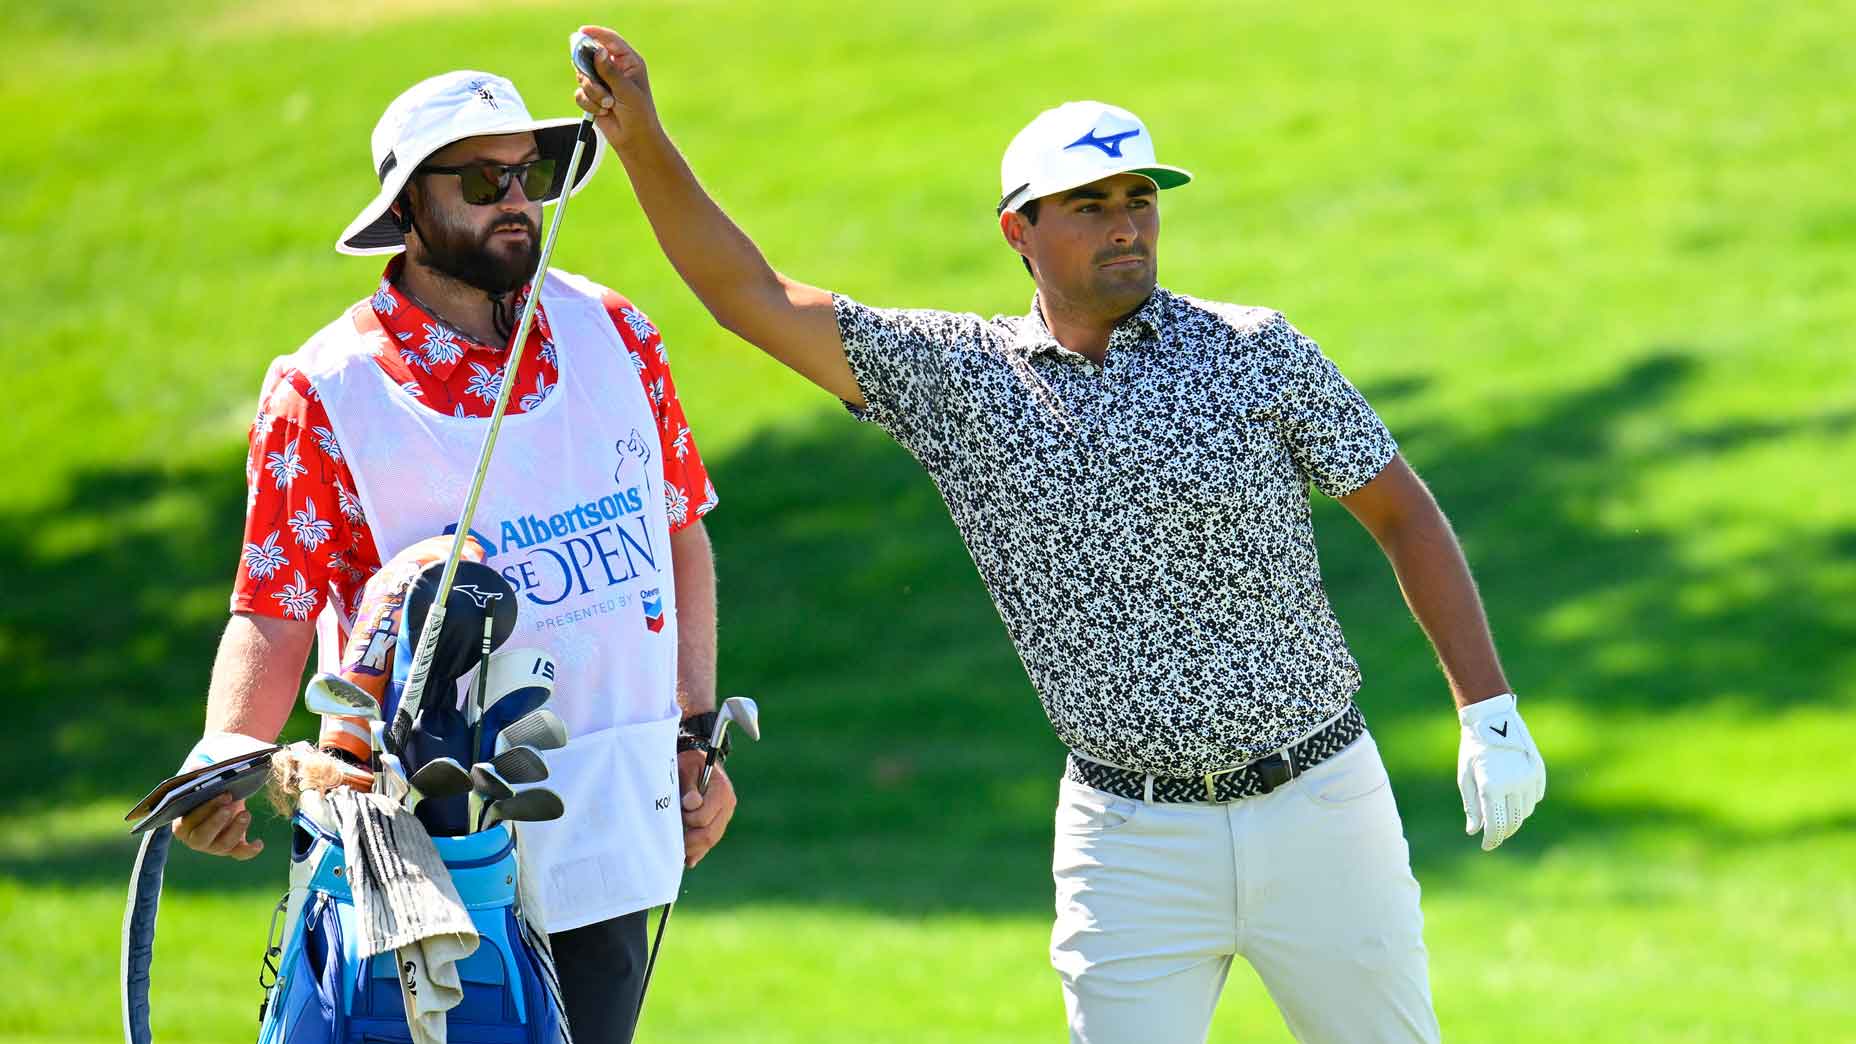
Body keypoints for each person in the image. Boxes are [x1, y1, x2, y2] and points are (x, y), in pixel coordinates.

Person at [569, 26, 1547, 1044]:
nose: (1125, 227)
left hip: (1319, 805)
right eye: (1089, 207)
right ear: (1018, 231)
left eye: (1139, 201)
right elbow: (750, 299)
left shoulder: (1256, 352)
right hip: (1127, 841)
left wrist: (1487, 709)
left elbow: (1401, 511)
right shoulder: (962, 380)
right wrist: (639, 136)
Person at [171, 68, 735, 1043]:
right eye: (480, 182)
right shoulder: (324, 390)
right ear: (407, 209)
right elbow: (273, 602)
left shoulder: (617, 329)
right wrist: (227, 753)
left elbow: (676, 533)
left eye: (530, 173)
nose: (515, 200)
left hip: (613, 824)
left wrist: (695, 735)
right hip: (427, 857)